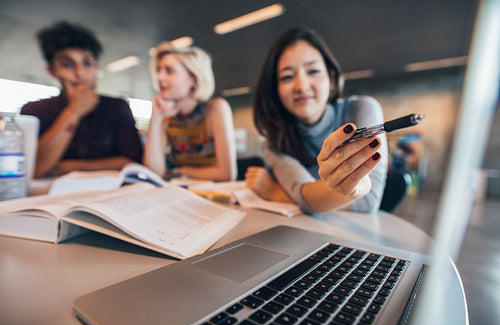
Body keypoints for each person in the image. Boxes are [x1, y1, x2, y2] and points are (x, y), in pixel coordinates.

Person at [245, 26, 388, 214]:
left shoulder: (360, 109)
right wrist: (306, 197)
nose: (301, 86)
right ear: (276, 90)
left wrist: (277, 193)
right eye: (287, 76)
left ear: (331, 79)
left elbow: (366, 202)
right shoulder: (276, 139)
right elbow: (304, 192)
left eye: (312, 71)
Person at [21, 21, 143, 178]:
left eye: (87, 63)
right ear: (52, 70)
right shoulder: (33, 111)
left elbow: (132, 161)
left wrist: (66, 167)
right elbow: (35, 168)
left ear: (96, 68)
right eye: (67, 64)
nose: (79, 73)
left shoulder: (117, 107)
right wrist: (74, 111)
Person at [142, 42, 237, 181]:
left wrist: (181, 171)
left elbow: (227, 174)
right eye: (159, 70)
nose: (159, 77)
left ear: (194, 80)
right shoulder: (165, 116)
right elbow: (153, 173)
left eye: (169, 71)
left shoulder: (215, 109)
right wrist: (155, 119)